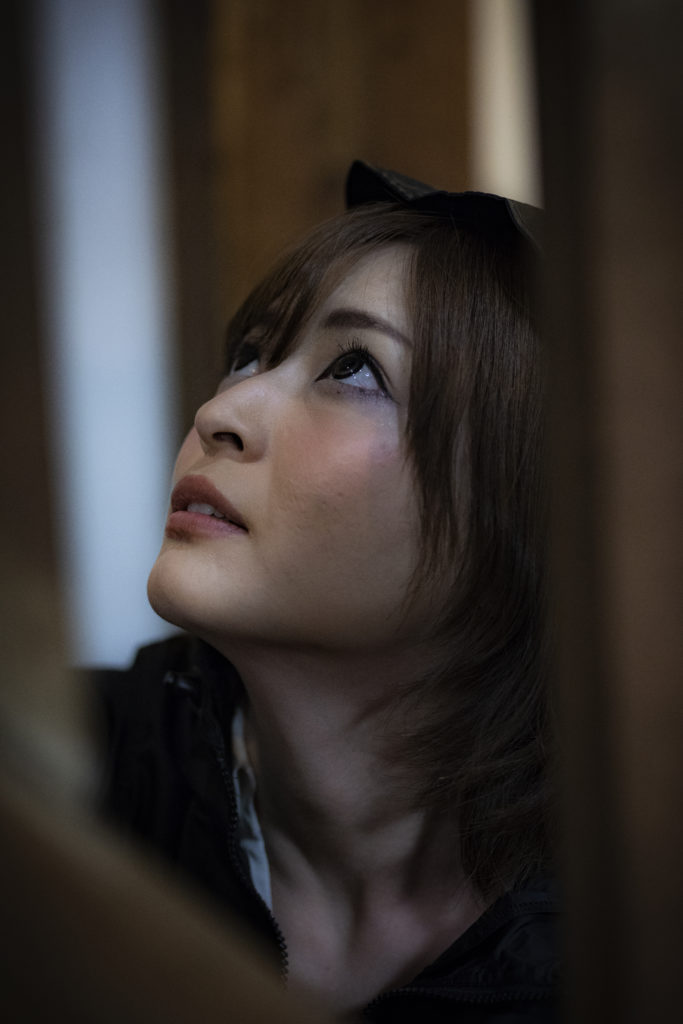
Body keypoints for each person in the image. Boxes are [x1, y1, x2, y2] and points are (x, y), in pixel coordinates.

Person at [94, 161, 558, 1021]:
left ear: (522, 510)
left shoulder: (620, 936)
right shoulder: (71, 777)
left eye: (354, 368)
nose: (222, 412)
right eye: (249, 355)